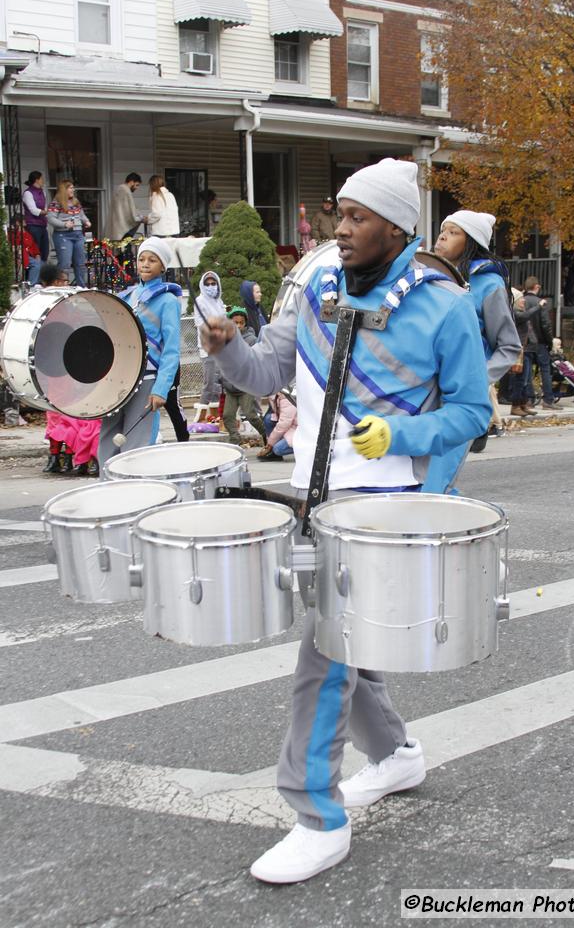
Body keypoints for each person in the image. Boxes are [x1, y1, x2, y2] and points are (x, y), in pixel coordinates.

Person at [200, 157, 490, 885]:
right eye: (340, 212)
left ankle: (316, 815)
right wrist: (228, 347)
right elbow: (268, 372)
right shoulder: (321, 283)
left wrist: (397, 435)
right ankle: (392, 755)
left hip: (383, 507)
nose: (341, 227)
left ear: (396, 227)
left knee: (323, 658)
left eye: (357, 217)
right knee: (346, 645)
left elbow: (473, 411)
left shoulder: (442, 303)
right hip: (314, 494)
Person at [434, 210, 521, 447]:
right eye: (443, 231)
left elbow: (509, 345)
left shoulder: (488, 283)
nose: (442, 237)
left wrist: (477, 379)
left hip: (461, 403)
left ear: (471, 242)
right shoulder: (430, 277)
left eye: (453, 233)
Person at [97, 238, 181, 468]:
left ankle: (133, 494)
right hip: (119, 378)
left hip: (147, 379)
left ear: (163, 266)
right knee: (107, 440)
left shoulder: (168, 301)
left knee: (136, 445)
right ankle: (107, 490)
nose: (145, 264)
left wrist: (161, 389)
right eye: (141, 259)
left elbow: (172, 351)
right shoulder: (126, 296)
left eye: (152, 260)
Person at [220, 307, 267, 446]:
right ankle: (235, 439)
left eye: (241, 323)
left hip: (246, 386)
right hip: (230, 386)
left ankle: (266, 433)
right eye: (235, 323)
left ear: (245, 323)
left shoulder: (251, 340)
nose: (238, 326)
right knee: (227, 416)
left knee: (250, 414)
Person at [193, 271, 227, 423]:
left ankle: (214, 416)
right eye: (207, 284)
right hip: (208, 347)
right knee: (209, 382)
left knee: (218, 382)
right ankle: (199, 418)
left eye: (213, 283)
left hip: (222, 347)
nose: (211, 286)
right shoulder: (200, 301)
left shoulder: (219, 302)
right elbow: (200, 323)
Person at [47, 180, 91, 287]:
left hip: (78, 234)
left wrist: (86, 221)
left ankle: (81, 287)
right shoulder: (56, 202)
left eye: (73, 188)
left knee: (80, 263)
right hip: (63, 235)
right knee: (65, 264)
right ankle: (62, 286)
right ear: (64, 189)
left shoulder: (76, 202)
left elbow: (81, 215)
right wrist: (64, 224)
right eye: (70, 188)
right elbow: (50, 218)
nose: (73, 190)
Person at [521, 276, 556, 409]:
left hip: (526, 342)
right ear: (537, 287)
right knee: (545, 370)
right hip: (540, 342)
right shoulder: (541, 303)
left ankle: (530, 399)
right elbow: (546, 325)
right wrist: (550, 342)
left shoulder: (521, 302)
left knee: (528, 371)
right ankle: (548, 400)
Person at [509, 292, 537, 416]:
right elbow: (526, 316)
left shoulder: (519, 312)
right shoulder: (515, 313)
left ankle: (523, 403)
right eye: (521, 299)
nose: (524, 301)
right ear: (515, 301)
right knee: (519, 379)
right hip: (518, 349)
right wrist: (539, 306)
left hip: (525, 348)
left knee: (526, 378)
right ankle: (515, 406)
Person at [104, 173, 147, 241]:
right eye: (137, 185)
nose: (137, 188)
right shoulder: (125, 191)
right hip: (123, 230)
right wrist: (141, 218)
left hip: (118, 227)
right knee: (125, 248)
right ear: (132, 181)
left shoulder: (120, 189)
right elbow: (130, 214)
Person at [258, 390, 297, 461]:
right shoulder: (274, 395)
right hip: (292, 424)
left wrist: (270, 444)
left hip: (300, 428)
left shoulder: (286, 397)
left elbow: (284, 424)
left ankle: (310, 448)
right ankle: (272, 450)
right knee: (268, 419)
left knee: (278, 449)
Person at [22, 171, 50, 265]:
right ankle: (36, 274)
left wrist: (46, 212)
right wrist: (46, 212)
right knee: (35, 251)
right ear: (37, 180)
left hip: (42, 225)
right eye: (41, 178)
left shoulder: (42, 191)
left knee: (45, 251)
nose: (43, 180)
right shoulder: (28, 193)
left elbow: (44, 206)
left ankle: (43, 274)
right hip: (33, 225)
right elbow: (33, 210)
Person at [9, 219, 42, 287]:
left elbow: (33, 245)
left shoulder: (27, 233)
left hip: (30, 255)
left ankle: (35, 283)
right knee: (35, 265)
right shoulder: (13, 233)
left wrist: (37, 254)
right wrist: (19, 232)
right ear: (17, 222)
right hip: (22, 255)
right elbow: (17, 244)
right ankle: (31, 285)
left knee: (42, 263)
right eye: (23, 220)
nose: (25, 222)